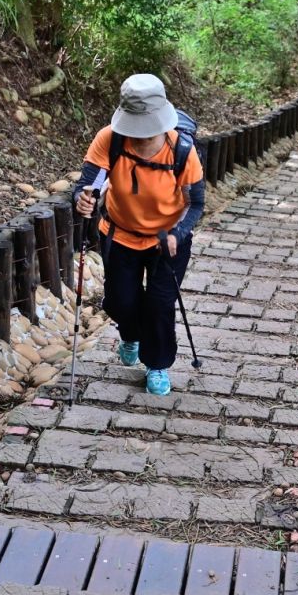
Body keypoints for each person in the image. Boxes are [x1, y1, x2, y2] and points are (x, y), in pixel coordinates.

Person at [73, 74, 206, 396]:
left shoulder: (182, 150)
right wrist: (82, 198)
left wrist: (178, 232)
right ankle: (129, 333)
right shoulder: (111, 139)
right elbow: (87, 183)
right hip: (120, 234)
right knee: (121, 301)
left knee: (160, 304)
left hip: (167, 241)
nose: (142, 137)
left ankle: (157, 364)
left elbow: (196, 202)